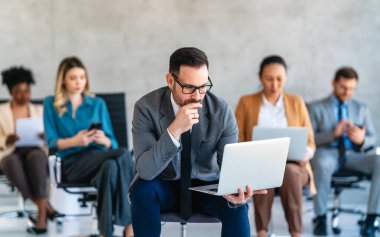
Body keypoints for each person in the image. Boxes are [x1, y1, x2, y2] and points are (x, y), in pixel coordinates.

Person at [130, 47, 266, 237]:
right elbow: (145, 170)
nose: (197, 96)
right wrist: (175, 129)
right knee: (141, 190)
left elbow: (230, 166)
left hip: (206, 188)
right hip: (164, 185)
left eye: (203, 87)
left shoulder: (221, 110)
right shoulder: (146, 108)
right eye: (189, 88)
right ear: (170, 80)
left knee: (237, 206)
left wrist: (237, 187)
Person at [43, 56, 134, 237]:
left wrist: (104, 140)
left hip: (99, 158)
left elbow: (112, 143)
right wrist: (75, 141)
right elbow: (51, 142)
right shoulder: (50, 104)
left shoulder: (97, 104)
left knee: (110, 166)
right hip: (71, 163)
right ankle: (130, 223)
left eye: (82, 77)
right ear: (63, 80)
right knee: (123, 154)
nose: (79, 82)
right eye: (73, 78)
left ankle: (105, 233)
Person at [235, 55, 316, 237]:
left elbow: (310, 141)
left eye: (279, 79)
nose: (274, 84)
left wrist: (306, 154)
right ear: (260, 78)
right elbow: (237, 138)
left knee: (290, 172)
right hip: (260, 165)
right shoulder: (246, 102)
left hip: (295, 166)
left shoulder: (296, 102)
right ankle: (262, 232)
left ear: (285, 78)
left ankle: (296, 233)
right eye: (269, 79)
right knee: (265, 174)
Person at [308, 67, 379, 237]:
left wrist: (361, 139)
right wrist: (333, 134)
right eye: (343, 87)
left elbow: (373, 138)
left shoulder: (361, 108)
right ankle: (321, 218)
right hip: (327, 153)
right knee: (322, 163)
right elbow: (309, 138)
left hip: (354, 155)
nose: (347, 92)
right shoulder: (315, 108)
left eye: (352, 88)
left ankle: (370, 219)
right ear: (334, 83)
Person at [0, 66, 60, 234]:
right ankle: (44, 207)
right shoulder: (1, 111)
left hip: (35, 148)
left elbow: (52, 135)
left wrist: (44, 136)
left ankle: (41, 215)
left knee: (36, 158)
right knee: (11, 163)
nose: (24, 95)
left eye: (27, 91)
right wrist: (7, 139)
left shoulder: (39, 110)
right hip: (11, 151)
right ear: (11, 92)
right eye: (19, 91)